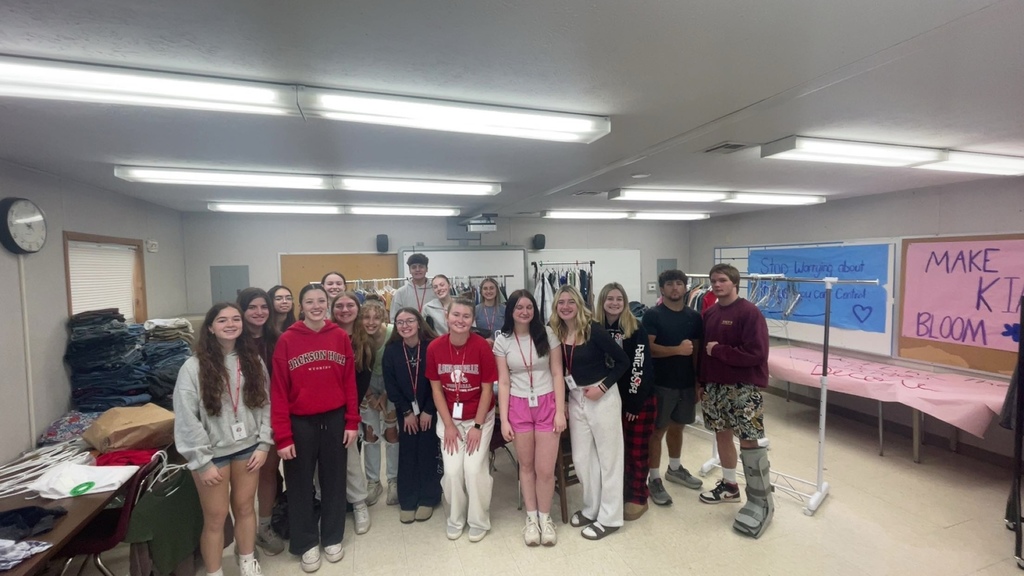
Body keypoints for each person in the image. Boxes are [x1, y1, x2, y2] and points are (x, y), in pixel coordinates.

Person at [173, 303, 272, 576]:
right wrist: (201, 462)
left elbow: (266, 404)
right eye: (222, 320)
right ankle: (214, 572)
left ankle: (247, 560)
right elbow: (186, 418)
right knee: (215, 518)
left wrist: (264, 444)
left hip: (248, 449)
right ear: (210, 328)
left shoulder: (253, 361)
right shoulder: (192, 367)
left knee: (244, 508)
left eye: (235, 319)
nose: (230, 324)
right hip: (212, 455)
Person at [271, 284, 360, 572]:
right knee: (299, 485)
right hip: (300, 423)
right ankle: (306, 542)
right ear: (302, 306)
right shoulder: (287, 340)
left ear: (328, 303)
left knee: (334, 481)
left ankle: (332, 537)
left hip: (335, 419)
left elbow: (349, 382)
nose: (316, 306)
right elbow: (279, 391)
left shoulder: (339, 337)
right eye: (310, 301)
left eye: (321, 300)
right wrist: (282, 436)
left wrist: (352, 421)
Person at [697, 263, 773, 539]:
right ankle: (730, 486)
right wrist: (701, 382)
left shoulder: (749, 312)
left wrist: (720, 351)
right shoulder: (710, 313)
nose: (716, 285)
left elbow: (756, 353)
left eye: (722, 280)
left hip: (743, 388)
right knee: (721, 435)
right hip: (715, 387)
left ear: (734, 283)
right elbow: (703, 355)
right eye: (713, 281)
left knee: (749, 439)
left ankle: (760, 498)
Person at [549, 285, 628, 540]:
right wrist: (562, 402)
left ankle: (611, 517)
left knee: (609, 459)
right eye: (561, 302)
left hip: (602, 397)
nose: (566, 307)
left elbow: (623, 362)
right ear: (555, 306)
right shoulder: (556, 332)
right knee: (582, 459)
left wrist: (603, 387)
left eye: (571, 302)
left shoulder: (593, 329)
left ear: (579, 304)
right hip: (575, 398)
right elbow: (558, 372)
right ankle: (591, 508)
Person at [494, 289, 565, 546]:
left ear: (535, 310)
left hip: (547, 403)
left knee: (545, 469)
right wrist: (505, 420)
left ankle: (546, 519)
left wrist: (559, 410)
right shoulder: (502, 341)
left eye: (529, 307)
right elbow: (503, 381)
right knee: (526, 467)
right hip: (518, 405)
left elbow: (557, 373)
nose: (525, 312)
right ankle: (531, 518)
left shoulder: (547, 334)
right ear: (510, 311)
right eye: (519, 307)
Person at [426, 297, 498, 543]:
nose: (460, 320)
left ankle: (479, 519)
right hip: (450, 419)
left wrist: (477, 427)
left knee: (474, 469)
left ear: (472, 320)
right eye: (456, 315)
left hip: (480, 417)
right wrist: (448, 425)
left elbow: (487, 390)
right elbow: (436, 390)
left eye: (466, 316)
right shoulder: (434, 347)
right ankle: (455, 518)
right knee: (453, 471)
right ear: (447, 317)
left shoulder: (482, 347)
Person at [641, 270, 704, 507]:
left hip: (686, 383)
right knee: (657, 431)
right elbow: (649, 349)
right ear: (662, 289)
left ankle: (675, 469)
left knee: (678, 427)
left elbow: (696, 350)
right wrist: (676, 350)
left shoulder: (694, 317)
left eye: (679, 283)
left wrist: (698, 381)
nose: (675, 288)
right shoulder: (652, 316)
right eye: (670, 284)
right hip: (661, 384)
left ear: (686, 288)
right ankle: (654, 478)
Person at [594, 283, 655, 521]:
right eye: (610, 298)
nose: (615, 303)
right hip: (609, 399)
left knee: (635, 450)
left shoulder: (635, 327)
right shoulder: (595, 328)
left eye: (620, 299)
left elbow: (639, 367)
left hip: (636, 399)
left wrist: (633, 403)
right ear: (602, 301)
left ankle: (638, 494)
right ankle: (619, 491)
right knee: (613, 451)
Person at [237, 288, 286, 555]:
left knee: (268, 472)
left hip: (273, 415)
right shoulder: (233, 341)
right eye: (252, 308)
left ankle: (264, 527)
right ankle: (242, 535)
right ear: (242, 311)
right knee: (243, 479)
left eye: (263, 307)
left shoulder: (278, 339)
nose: (259, 312)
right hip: (241, 418)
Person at [382, 307, 442, 524]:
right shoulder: (392, 351)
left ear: (419, 323)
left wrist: (428, 410)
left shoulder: (431, 347)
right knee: (407, 452)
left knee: (427, 450)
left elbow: (437, 381)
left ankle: (428, 498)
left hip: (430, 408)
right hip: (405, 411)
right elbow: (391, 384)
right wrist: (406, 412)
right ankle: (407, 499)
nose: (405, 326)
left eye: (409, 321)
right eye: (400, 322)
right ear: (395, 326)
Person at [329, 292, 374, 531]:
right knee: (324, 462)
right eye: (339, 306)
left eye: (350, 305)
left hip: (348, 409)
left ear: (357, 309)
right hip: (324, 408)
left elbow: (362, 379)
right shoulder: (323, 334)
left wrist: (350, 411)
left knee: (351, 459)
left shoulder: (364, 340)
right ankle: (329, 502)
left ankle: (358, 502)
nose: (345, 310)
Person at [354, 298, 399, 505]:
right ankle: (373, 482)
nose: (370, 322)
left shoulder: (392, 333)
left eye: (376, 317)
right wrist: (371, 396)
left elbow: (398, 366)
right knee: (370, 434)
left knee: (392, 432)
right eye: (366, 317)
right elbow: (358, 370)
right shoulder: (358, 337)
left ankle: (394, 480)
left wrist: (386, 394)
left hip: (391, 385)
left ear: (383, 318)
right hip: (367, 385)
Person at [390, 253, 437, 319]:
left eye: (421, 266)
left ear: (427, 269)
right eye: (414, 267)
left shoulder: (436, 290)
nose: (417, 270)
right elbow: (394, 318)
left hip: (432, 329)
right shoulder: (400, 293)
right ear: (409, 270)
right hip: (408, 329)